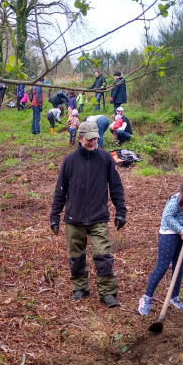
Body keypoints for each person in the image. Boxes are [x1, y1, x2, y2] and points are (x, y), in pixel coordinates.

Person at [50, 120, 127, 308]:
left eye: (96, 139)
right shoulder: (69, 161)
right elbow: (60, 190)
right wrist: (54, 215)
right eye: (89, 139)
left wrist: (121, 211)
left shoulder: (105, 158)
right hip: (73, 218)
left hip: (98, 216)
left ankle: (108, 293)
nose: (93, 143)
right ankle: (80, 288)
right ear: (80, 138)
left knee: (103, 256)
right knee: (76, 257)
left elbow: (116, 187)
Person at [137, 173, 183, 316]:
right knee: (162, 266)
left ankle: (174, 299)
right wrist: (180, 230)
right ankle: (146, 298)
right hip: (168, 233)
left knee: (179, 268)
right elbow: (167, 217)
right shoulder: (177, 199)